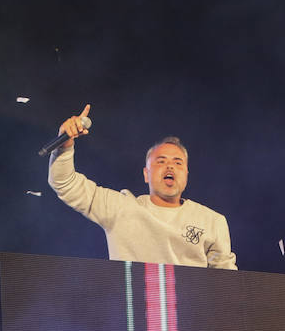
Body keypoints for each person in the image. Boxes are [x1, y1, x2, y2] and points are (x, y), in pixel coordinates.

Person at [48, 104, 238, 269]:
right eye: (161, 161)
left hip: (191, 310)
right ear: (146, 174)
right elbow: (65, 183)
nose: (170, 166)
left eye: (178, 162)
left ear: (187, 174)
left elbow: (225, 282)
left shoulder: (213, 222)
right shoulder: (119, 208)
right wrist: (64, 146)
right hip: (130, 308)